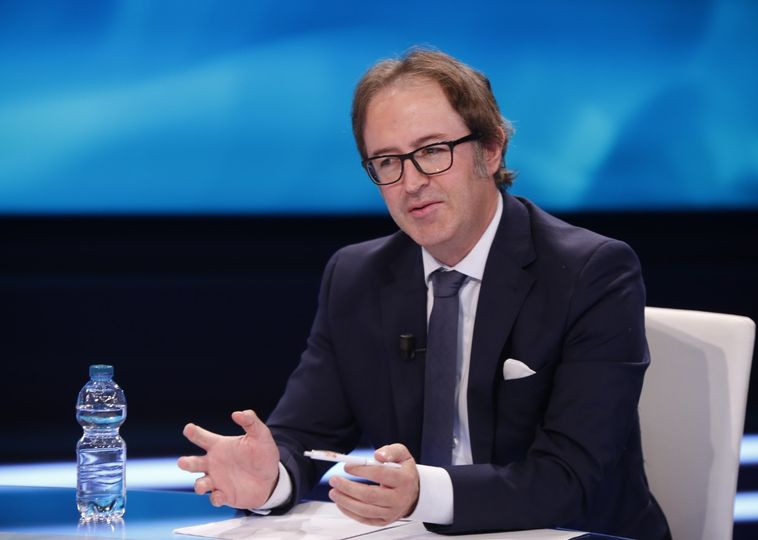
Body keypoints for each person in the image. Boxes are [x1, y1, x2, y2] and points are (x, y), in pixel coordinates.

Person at [178, 48, 671, 539]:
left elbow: (571, 477)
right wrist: (271, 481)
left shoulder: (590, 272)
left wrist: (423, 495)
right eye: (387, 161)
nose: (412, 182)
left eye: (433, 151)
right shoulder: (357, 277)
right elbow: (305, 434)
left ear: (491, 149)